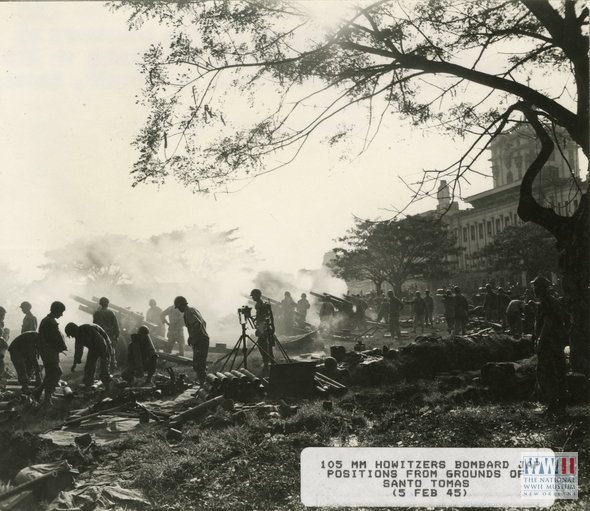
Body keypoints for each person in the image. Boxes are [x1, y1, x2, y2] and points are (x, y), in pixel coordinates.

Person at [532, 275, 568, 417]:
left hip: (549, 343)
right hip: (557, 343)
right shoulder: (553, 300)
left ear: (539, 288)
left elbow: (547, 323)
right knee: (559, 372)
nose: (534, 289)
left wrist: (540, 341)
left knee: (547, 374)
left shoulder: (545, 302)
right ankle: (561, 406)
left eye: (535, 286)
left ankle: (553, 405)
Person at [32, 301, 68, 406]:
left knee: (51, 374)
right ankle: (47, 401)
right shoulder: (50, 322)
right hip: (49, 353)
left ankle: (38, 393)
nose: (61, 314)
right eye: (61, 312)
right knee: (56, 373)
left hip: (48, 352)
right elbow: (55, 338)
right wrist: (61, 346)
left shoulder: (48, 321)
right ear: (55, 310)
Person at [66, 322, 112, 393]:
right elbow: (78, 350)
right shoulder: (78, 335)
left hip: (104, 345)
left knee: (104, 367)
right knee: (89, 368)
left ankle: (108, 388)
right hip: (93, 347)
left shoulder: (87, 329)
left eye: (71, 334)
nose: (72, 336)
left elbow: (101, 342)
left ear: (74, 330)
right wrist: (75, 364)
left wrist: (104, 356)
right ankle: (88, 387)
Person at [174, 296, 209, 385]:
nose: (179, 310)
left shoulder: (188, 312)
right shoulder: (194, 310)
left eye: (178, 307)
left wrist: (192, 337)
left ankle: (203, 387)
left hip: (200, 340)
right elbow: (203, 323)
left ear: (182, 306)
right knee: (200, 364)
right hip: (202, 339)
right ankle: (203, 385)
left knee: (199, 365)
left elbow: (197, 323)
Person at [250, 289, 275, 374]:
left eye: (253, 296)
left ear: (257, 296)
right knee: (262, 345)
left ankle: (267, 363)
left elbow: (270, 315)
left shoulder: (264, 305)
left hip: (264, 327)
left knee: (266, 345)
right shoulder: (257, 305)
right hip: (259, 326)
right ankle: (268, 362)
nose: (253, 298)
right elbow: (258, 316)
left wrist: (272, 325)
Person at [92, 297, 120, 371]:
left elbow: (94, 325)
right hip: (109, 335)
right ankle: (112, 366)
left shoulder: (97, 313)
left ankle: (100, 368)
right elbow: (115, 325)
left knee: (100, 352)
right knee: (111, 351)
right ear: (108, 304)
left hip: (99, 335)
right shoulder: (111, 312)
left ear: (100, 304)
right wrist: (116, 336)